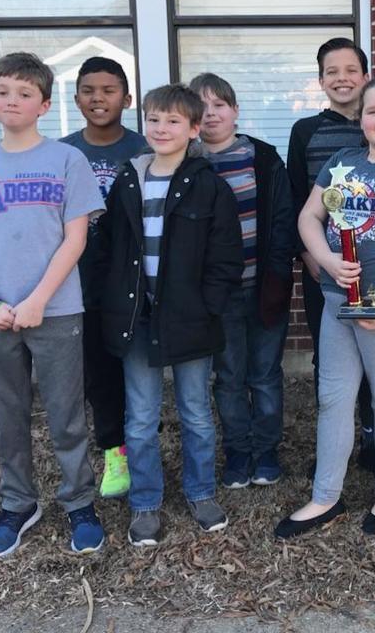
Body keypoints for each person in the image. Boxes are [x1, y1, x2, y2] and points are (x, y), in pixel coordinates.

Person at [0, 52, 106, 557]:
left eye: (24, 93)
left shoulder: (65, 160)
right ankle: (18, 503)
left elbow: (75, 239)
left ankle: (79, 502)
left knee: (66, 415)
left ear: (43, 104)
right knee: (7, 412)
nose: (12, 100)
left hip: (55, 312)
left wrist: (38, 299)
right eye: (2, 91)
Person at [275, 76, 375, 539]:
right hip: (336, 301)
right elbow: (309, 216)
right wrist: (325, 260)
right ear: (360, 118)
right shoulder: (342, 162)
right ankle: (326, 496)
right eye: (372, 111)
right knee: (333, 399)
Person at [94, 84, 243, 546]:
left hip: (190, 319)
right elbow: (108, 250)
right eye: (155, 119)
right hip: (136, 319)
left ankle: (200, 493)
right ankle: (145, 503)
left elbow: (226, 257)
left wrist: (207, 307)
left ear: (194, 129)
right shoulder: (126, 181)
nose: (162, 128)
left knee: (196, 411)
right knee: (140, 417)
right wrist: (111, 301)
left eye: (174, 121)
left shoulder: (208, 185)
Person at [189, 72, 295, 488]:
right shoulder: (189, 163)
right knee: (229, 375)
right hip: (218, 295)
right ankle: (237, 452)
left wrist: (280, 270)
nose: (211, 113)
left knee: (265, 373)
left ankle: (266, 450)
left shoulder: (263, 158)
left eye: (220, 104)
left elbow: (283, 219)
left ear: (235, 110)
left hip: (264, 285)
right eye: (202, 106)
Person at [286, 37, 375, 473]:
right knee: (331, 356)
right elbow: (294, 199)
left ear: (365, 76)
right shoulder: (306, 131)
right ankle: (332, 443)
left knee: (372, 349)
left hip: (373, 265)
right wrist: (313, 258)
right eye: (331, 72)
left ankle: (371, 436)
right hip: (322, 266)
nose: (341, 78)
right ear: (321, 80)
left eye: (350, 70)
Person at [60, 56, 146, 499]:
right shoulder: (62, 152)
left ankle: (143, 445)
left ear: (126, 99)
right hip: (82, 280)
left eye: (109, 90)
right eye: (89, 90)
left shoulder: (145, 150)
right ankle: (115, 450)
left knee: (137, 369)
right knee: (99, 371)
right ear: (76, 99)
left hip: (132, 280)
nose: (98, 98)